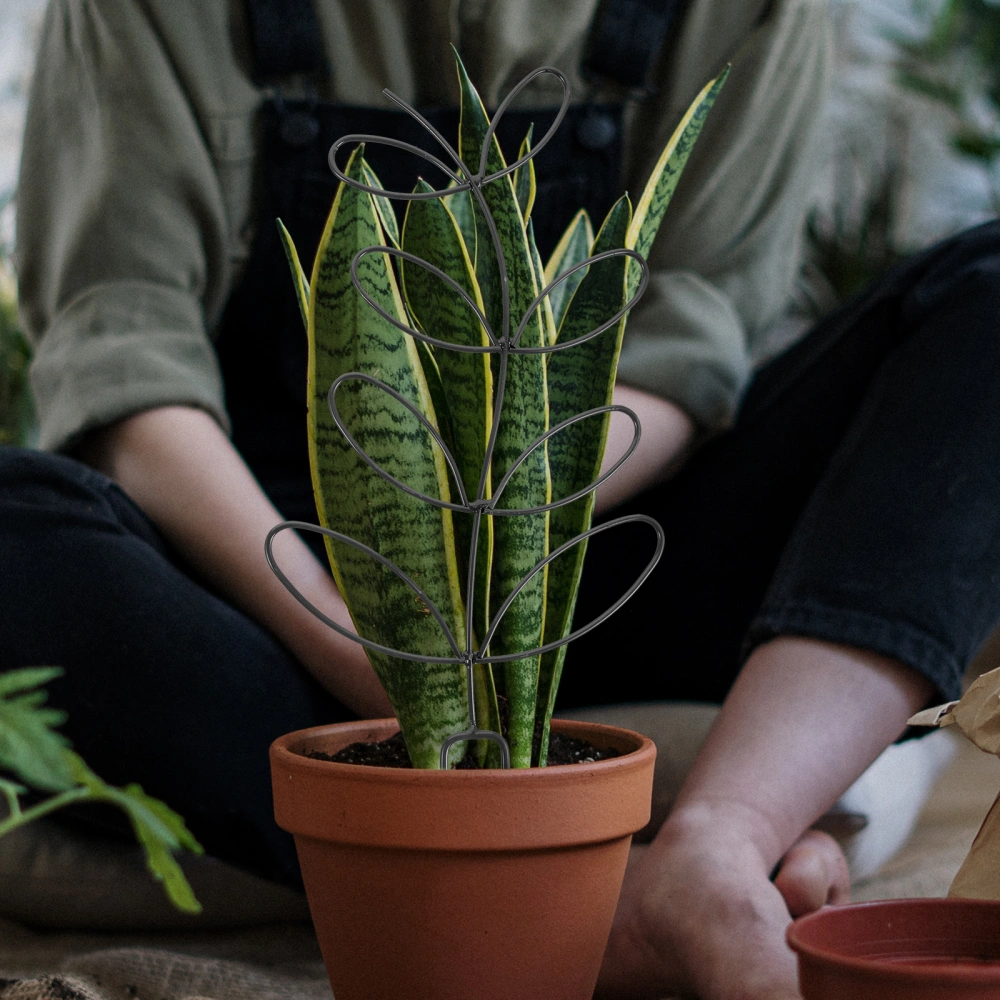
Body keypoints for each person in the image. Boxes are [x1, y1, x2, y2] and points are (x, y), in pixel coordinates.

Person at [4, 1, 999, 998]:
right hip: (269, 586)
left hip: (598, 561)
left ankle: (718, 837)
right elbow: (126, 360)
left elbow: (685, 348)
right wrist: (363, 638)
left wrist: (503, 553)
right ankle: (593, 883)